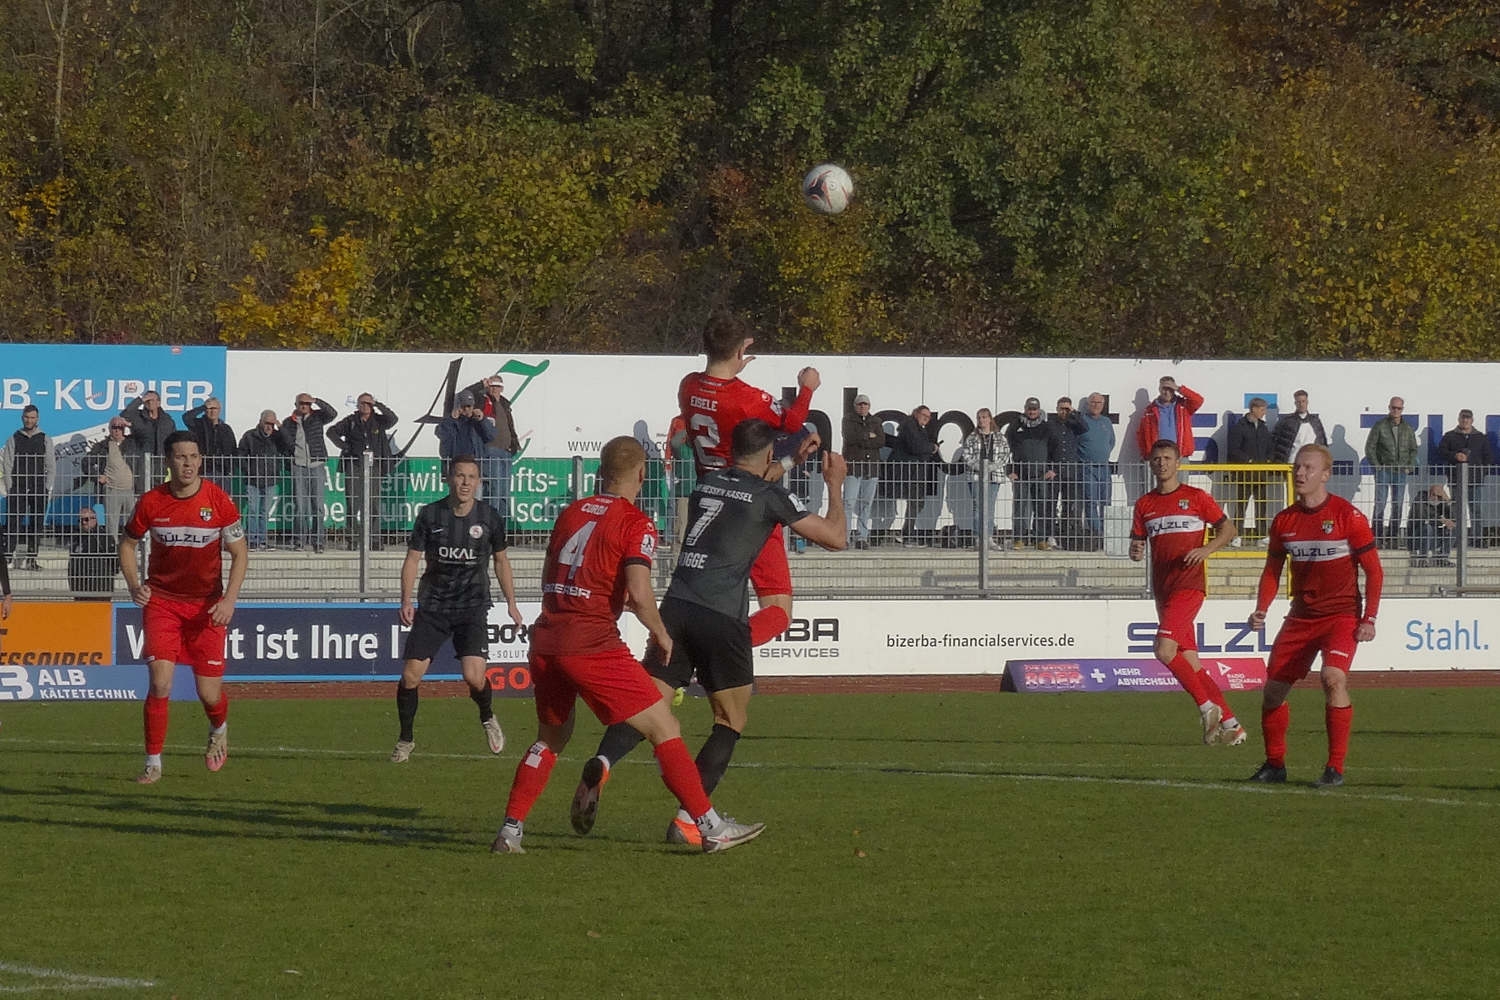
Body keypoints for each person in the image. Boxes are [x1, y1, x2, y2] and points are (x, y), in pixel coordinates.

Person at [570, 420, 848, 846]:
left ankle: (604, 761)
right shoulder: (769, 496)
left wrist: (788, 460)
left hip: (677, 608)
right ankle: (689, 820)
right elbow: (836, 538)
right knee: (730, 720)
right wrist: (834, 484)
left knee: (650, 705)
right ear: (768, 454)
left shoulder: (707, 484)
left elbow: (752, 479)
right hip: (722, 616)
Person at [490, 436, 767, 855]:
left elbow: (555, 573)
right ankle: (710, 827)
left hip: (547, 638)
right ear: (641, 474)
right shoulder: (636, 522)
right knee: (664, 727)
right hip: (591, 642)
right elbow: (639, 592)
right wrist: (660, 632)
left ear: (601, 472)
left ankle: (511, 831)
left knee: (550, 738)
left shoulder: (571, 512)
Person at [672, 310, 818, 659]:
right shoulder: (747, 398)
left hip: (708, 500)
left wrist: (790, 461)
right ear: (741, 350)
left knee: (707, 603)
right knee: (778, 612)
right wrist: (807, 388)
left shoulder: (688, 385)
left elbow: (716, 393)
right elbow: (792, 422)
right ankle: (708, 653)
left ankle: (680, 659)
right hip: (747, 508)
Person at [1247, 443, 1383, 788]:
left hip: (1341, 615)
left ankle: (1334, 768)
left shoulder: (1348, 516)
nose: (1300, 473)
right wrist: (1262, 607)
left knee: (1333, 679)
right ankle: (1275, 764)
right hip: (1301, 617)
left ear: (1325, 474)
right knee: (1273, 692)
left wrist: (1369, 618)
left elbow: (1374, 570)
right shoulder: (1284, 520)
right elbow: (1272, 571)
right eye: (1297, 467)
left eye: (1308, 468)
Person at [119, 431, 249, 785]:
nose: (188, 463)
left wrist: (229, 600)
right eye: (180, 457)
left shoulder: (218, 501)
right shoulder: (151, 502)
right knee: (160, 683)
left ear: (200, 459)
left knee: (208, 693)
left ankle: (219, 727)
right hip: (162, 603)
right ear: (168, 461)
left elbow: (240, 553)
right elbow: (127, 545)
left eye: (193, 456)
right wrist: (134, 585)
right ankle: (153, 763)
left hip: (207, 608)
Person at [391, 455, 523, 764]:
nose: (465, 482)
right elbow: (412, 559)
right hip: (434, 606)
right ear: (449, 479)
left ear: (479, 482)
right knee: (410, 676)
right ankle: (405, 740)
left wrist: (512, 604)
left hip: (472, 606)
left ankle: (487, 716)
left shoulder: (489, 517)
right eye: (460, 476)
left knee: (474, 677)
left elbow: (501, 561)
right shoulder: (430, 515)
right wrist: (406, 600)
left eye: (471, 477)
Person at [1129, 439, 1245, 745]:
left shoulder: (1196, 497)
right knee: (1191, 663)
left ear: (1178, 463)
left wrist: (1206, 549)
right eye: (1157, 459)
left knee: (1164, 650)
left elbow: (1229, 530)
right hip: (1163, 591)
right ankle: (1232, 725)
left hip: (1189, 587)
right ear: (1151, 464)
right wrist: (1136, 551)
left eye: (1168, 458)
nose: (1162, 464)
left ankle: (1207, 709)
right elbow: (1138, 543)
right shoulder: (1144, 504)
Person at [327, 393, 399, 550]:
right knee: (353, 504)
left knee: (373, 504)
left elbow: (393, 419)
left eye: (368, 403)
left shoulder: (379, 420)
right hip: (355, 465)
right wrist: (345, 447)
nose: (364, 406)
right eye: (361, 403)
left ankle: (374, 540)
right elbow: (331, 432)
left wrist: (378, 404)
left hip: (374, 466)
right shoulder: (351, 421)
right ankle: (353, 540)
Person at [276, 392, 337, 553]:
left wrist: (316, 400)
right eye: (301, 403)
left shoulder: (318, 417)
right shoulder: (288, 422)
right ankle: (299, 541)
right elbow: (286, 443)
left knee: (318, 506)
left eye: (307, 403)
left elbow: (333, 413)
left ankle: (318, 541)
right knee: (300, 506)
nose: (304, 406)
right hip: (298, 466)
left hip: (316, 464)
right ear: (296, 404)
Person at [1, 405, 56, 571]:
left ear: (37, 419)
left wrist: (47, 487)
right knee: (13, 524)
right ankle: (8, 558)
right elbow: (8, 464)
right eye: (26, 417)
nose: (29, 420)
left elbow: (51, 465)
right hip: (18, 487)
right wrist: (11, 487)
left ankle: (31, 560)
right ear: (22, 418)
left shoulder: (45, 438)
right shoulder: (14, 438)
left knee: (36, 525)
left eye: (32, 417)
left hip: (39, 487)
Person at [1363, 396, 1418, 549]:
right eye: (1393, 407)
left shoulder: (1407, 428)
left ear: (1402, 409)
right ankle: (1377, 536)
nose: (1396, 411)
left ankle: (1393, 537)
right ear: (1389, 408)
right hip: (1384, 470)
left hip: (1400, 472)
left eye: (1399, 408)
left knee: (1397, 504)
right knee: (1380, 503)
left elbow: (1413, 449)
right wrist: (1377, 466)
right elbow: (1370, 447)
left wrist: (1409, 466)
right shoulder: (1380, 426)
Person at [1007, 397, 1059, 550]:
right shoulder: (1015, 426)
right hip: (1021, 475)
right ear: (1025, 409)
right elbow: (1007, 449)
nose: (1032, 412)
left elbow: (1055, 449)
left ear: (1039, 410)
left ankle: (1040, 540)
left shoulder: (1047, 427)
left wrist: (1053, 469)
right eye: (1029, 409)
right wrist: (1010, 470)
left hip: (1041, 475)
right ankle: (1018, 539)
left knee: (1041, 508)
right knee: (1020, 509)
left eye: (1034, 409)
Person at [1437, 408, 1494, 546]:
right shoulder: (1450, 436)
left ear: (1472, 420)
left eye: (1468, 418)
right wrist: (1455, 456)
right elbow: (1441, 451)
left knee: (1476, 510)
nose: (1465, 420)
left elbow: (1488, 457)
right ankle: (1457, 539)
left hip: (1475, 480)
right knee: (1456, 510)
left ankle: (1477, 539)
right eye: (1463, 417)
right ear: (1459, 419)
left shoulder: (1481, 437)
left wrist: (1481, 472)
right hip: (1456, 479)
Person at [467, 375, 521, 519]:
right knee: (493, 491)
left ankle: (502, 526)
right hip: (490, 450)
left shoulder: (504, 403)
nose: (494, 389)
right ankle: (490, 523)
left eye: (497, 386)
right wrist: (480, 384)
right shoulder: (482, 400)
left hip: (506, 452)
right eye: (492, 386)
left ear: (502, 388)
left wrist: (514, 443)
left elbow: (509, 425)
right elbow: (465, 395)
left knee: (504, 492)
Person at [80, 417, 144, 540]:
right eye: (114, 427)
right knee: (111, 526)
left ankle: (131, 551)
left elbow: (145, 435)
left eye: (120, 427)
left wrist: (129, 424)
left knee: (132, 525)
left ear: (124, 429)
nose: (117, 430)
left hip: (131, 491)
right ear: (109, 429)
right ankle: (112, 550)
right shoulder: (102, 446)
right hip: (112, 491)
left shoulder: (133, 443)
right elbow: (86, 463)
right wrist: (97, 476)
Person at [1226, 397, 1275, 545]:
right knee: (1241, 506)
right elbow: (1233, 449)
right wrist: (1248, 461)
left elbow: (1270, 446)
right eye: (1262, 409)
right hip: (1245, 474)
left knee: (1261, 506)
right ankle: (1236, 536)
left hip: (1261, 474)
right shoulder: (1240, 427)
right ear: (1253, 409)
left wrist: (1269, 459)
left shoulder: (1263, 427)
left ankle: (1261, 536)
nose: (1264, 412)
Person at [238, 410, 288, 550]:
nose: (269, 427)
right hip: (252, 479)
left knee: (264, 512)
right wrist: (248, 471)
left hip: (270, 479)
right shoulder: (249, 436)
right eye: (267, 423)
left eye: (272, 424)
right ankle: (252, 540)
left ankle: (262, 540)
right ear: (260, 421)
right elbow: (240, 455)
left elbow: (289, 445)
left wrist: (281, 428)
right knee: (253, 510)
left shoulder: (277, 437)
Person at [842, 393, 884, 549]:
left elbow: (880, 441)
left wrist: (862, 439)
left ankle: (862, 537)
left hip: (871, 467)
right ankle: (845, 537)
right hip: (854, 467)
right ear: (855, 406)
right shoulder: (848, 420)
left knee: (866, 503)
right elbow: (850, 437)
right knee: (849, 502)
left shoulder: (876, 421)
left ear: (869, 406)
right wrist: (868, 436)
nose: (863, 406)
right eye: (860, 404)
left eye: (865, 404)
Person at [963, 408, 1009, 548]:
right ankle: (978, 538)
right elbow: (966, 455)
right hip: (976, 476)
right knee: (978, 507)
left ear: (990, 419)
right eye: (979, 418)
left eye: (984, 417)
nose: (981, 420)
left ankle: (988, 537)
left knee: (990, 507)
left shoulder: (1000, 437)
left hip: (994, 476)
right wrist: (979, 466)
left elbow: (1005, 455)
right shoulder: (972, 437)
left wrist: (993, 466)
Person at [1136, 376, 1204, 460]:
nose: (1167, 392)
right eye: (1164, 389)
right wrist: (1146, 454)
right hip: (1158, 457)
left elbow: (1198, 400)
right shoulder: (1150, 411)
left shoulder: (1183, 406)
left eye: (1170, 389)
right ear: (1159, 389)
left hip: (1180, 456)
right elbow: (1142, 435)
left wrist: (1179, 388)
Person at [1049, 396, 1088, 544]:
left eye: (1067, 409)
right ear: (1057, 409)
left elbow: (1085, 428)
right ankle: (1050, 535)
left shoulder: (1074, 424)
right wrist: (1049, 468)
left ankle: (1065, 535)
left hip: (1071, 472)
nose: (1064, 412)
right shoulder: (1051, 425)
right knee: (1051, 504)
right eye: (1061, 409)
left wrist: (1073, 412)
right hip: (1055, 471)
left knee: (1069, 504)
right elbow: (1046, 447)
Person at [1079, 392, 1115, 537]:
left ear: (1103, 405)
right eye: (1092, 402)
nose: (1095, 405)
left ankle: (1107, 533)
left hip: (1104, 467)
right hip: (1087, 468)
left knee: (1106, 501)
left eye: (1099, 402)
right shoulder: (1082, 421)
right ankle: (1097, 533)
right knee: (1091, 501)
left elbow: (1111, 441)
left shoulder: (1106, 422)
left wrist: (1102, 453)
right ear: (1088, 404)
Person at [435, 391, 494, 477]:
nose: (466, 409)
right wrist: (452, 419)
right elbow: (441, 433)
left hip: (475, 466)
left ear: (473, 406)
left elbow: (491, 436)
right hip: (456, 466)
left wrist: (482, 420)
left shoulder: (478, 421)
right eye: (463, 406)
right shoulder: (450, 421)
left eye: (469, 406)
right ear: (458, 406)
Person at [181, 397, 238, 482]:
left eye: (214, 408)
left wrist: (230, 469)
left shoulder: (226, 428)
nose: (212, 411)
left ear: (219, 410)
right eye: (209, 408)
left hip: (223, 472)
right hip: (203, 470)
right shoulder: (198, 425)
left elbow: (233, 449)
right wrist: (203, 407)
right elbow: (186, 417)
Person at [68, 506, 117, 600]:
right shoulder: (76, 538)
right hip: (79, 587)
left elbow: (114, 562)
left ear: (94, 519)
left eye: (86, 520)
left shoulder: (104, 537)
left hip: (100, 587)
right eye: (80, 520)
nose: (83, 523)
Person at [1270, 389, 1328, 463]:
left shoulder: (1315, 421)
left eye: (1303, 401)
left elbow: (1322, 443)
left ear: (1307, 402)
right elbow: (1274, 442)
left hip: (1311, 463)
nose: (1301, 404)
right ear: (1295, 403)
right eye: (1298, 402)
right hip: (1291, 462)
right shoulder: (1286, 421)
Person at [1408, 482, 1455, 568]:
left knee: (1452, 528)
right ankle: (1423, 559)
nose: (1436, 498)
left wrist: (1448, 502)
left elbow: (1453, 518)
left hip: (1433, 537)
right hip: (1417, 538)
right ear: (1429, 493)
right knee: (1427, 528)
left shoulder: (1440, 502)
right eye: (1434, 495)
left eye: (1439, 497)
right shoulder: (1420, 500)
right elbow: (1422, 518)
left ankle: (1442, 559)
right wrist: (1441, 520)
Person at [120, 390, 177, 458]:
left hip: (162, 458)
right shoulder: (137, 417)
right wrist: (141, 400)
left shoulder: (167, 421)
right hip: (141, 458)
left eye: (152, 400)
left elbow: (174, 440)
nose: (150, 402)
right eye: (147, 400)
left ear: (158, 403)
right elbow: (125, 414)